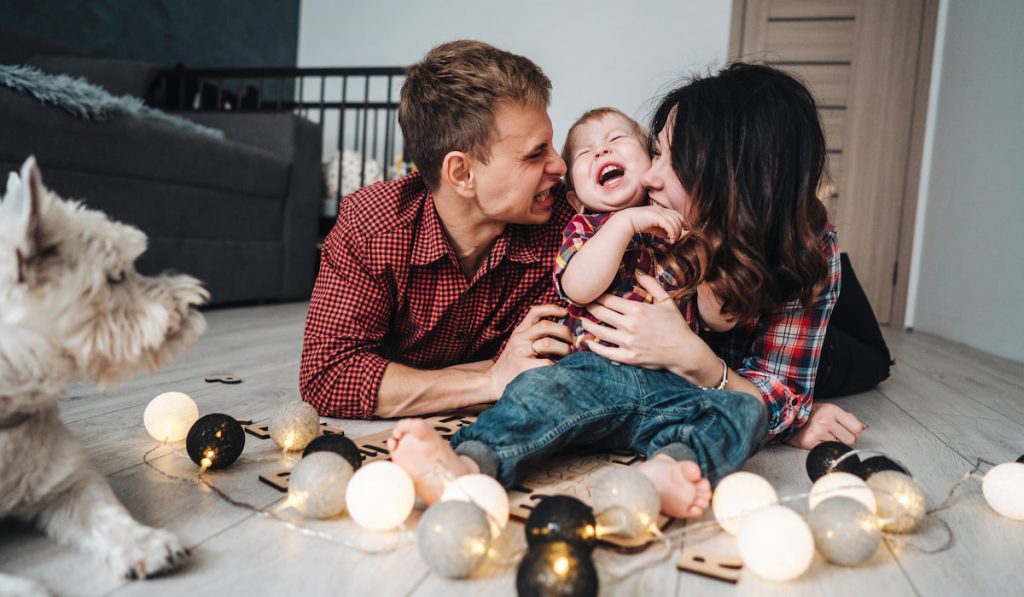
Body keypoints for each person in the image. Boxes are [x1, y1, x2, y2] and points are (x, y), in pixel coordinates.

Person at [389, 63, 863, 518]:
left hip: (688, 382)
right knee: (537, 391)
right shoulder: (618, 221)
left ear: (729, 180)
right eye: (656, 153)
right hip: (600, 372)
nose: (651, 177)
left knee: (753, 410)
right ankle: (467, 463)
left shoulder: (779, 245)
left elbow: (752, 363)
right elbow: (577, 282)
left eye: (669, 161)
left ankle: (669, 471)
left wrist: (694, 356)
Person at [299, 40, 576, 420]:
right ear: (462, 174)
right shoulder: (370, 226)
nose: (560, 166)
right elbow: (329, 376)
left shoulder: (569, 229)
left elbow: (553, 365)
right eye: (535, 152)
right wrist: (490, 380)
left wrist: (405, 383)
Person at [553, 107, 734, 353]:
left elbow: (718, 322)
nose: (601, 151)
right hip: (594, 365)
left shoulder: (682, 222)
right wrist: (624, 223)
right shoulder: (584, 228)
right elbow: (577, 289)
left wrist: (708, 251)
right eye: (585, 153)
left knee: (732, 395)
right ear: (576, 202)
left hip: (674, 370)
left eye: (616, 138)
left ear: (652, 161)